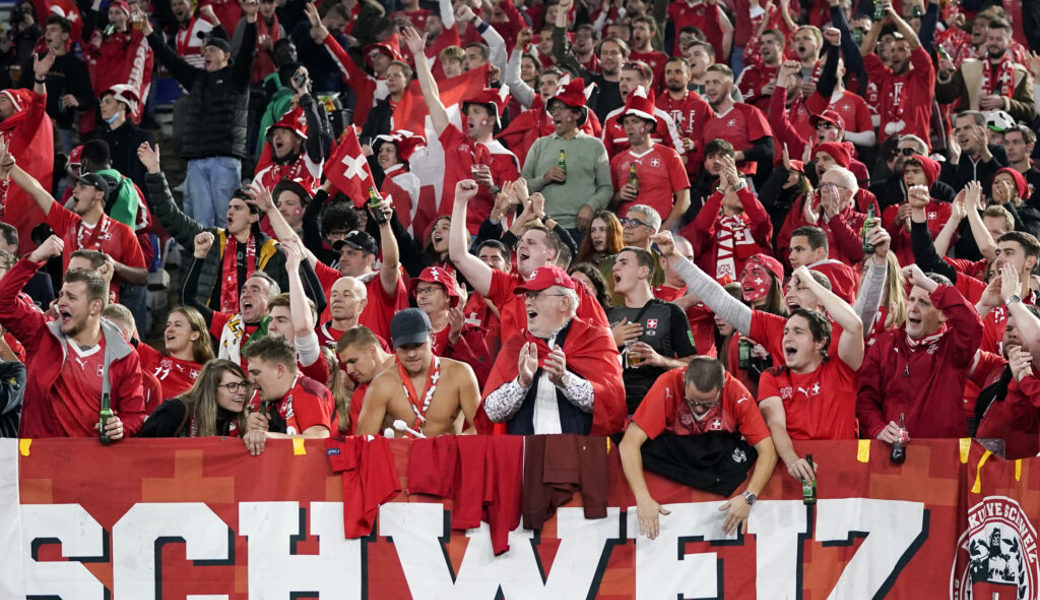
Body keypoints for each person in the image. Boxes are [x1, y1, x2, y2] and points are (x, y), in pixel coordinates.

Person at [0, 234, 145, 438]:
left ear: (95, 306)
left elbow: (135, 415)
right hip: (40, 460)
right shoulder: (42, 333)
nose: (62, 302)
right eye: (61, 295)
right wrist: (35, 257)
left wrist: (121, 427)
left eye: (72, 297)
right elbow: (3, 302)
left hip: (88, 464)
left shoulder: (124, 354)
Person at [619, 357, 777, 539]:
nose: (700, 409)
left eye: (709, 403)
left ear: (723, 385)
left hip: (717, 452)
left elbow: (767, 450)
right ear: (685, 381)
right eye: (693, 401)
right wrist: (642, 498)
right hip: (676, 449)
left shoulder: (736, 393)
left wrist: (749, 497)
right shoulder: (668, 384)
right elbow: (629, 444)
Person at [450, 180, 609, 345]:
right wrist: (460, 202)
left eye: (531, 242)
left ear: (550, 254)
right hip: (514, 369)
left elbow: (603, 340)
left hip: (559, 369)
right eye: (521, 243)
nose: (522, 246)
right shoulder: (507, 287)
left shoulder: (576, 289)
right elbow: (459, 255)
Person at [142, 2, 257, 228]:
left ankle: (230, 263)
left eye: (211, 50)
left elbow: (248, 52)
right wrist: (148, 31)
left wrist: (252, 21)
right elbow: (169, 58)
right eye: (204, 51)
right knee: (200, 224)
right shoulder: (196, 79)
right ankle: (203, 263)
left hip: (225, 159)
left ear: (225, 55)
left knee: (228, 221)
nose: (205, 53)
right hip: (195, 160)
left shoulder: (237, 78)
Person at [477, 266, 626, 435]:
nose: (528, 302)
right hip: (525, 455)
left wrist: (565, 380)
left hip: (578, 454)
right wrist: (521, 383)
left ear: (564, 302)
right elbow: (492, 412)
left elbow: (612, 404)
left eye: (537, 295)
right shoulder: (517, 345)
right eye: (527, 296)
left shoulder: (594, 339)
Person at [138, 143, 290, 308]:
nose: (229, 212)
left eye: (237, 208)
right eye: (229, 207)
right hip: (211, 329)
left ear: (253, 217)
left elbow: (285, 301)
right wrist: (154, 171)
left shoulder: (273, 253)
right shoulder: (211, 239)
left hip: (257, 331)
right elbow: (171, 217)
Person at [401, 26, 520, 235]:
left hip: (479, 238)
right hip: (447, 232)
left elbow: (512, 206)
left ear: (492, 119)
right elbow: (431, 96)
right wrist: (419, 55)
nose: (469, 116)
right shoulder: (454, 140)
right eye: (469, 111)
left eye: (476, 112)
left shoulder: (506, 158)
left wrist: (492, 187)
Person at [757, 266, 865, 484]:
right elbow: (775, 424)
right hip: (792, 475)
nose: (787, 338)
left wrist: (809, 281)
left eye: (798, 332)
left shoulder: (841, 369)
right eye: (786, 331)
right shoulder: (772, 377)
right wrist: (792, 460)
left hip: (842, 477)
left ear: (820, 342)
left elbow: (854, 324)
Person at [857, 265, 983, 441]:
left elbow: (973, 325)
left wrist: (926, 282)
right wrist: (878, 428)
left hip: (941, 457)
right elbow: (866, 398)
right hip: (890, 454)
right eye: (912, 299)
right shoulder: (885, 344)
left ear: (944, 315)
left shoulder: (953, 347)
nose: (913, 308)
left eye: (924, 302)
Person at [1, 146, 148, 297]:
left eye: (83, 187)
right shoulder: (68, 222)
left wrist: (115, 266)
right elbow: (36, 190)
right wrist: (12, 167)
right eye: (75, 186)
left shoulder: (123, 232)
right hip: (68, 308)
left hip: (103, 309)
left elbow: (142, 276)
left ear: (99, 195)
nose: (74, 191)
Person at [355, 308, 479, 437]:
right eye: (404, 347)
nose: (411, 354)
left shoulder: (460, 374)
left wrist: (449, 444)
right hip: (401, 456)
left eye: (418, 345)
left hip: (447, 455)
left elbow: (481, 428)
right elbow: (363, 442)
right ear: (394, 344)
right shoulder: (381, 384)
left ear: (433, 338)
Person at [608, 247, 698, 413]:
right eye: (615, 263)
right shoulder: (608, 314)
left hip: (658, 408)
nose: (615, 268)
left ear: (643, 271)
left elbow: (694, 365)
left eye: (624, 263)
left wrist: (661, 360)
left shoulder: (670, 312)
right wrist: (610, 341)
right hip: (616, 408)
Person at [521, 77, 614, 236]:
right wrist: (544, 178)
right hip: (543, 227)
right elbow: (522, 187)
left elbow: (606, 188)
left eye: (561, 108)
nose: (555, 113)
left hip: (582, 228)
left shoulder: (595, 146)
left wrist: (591, 206)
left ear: (577, 113)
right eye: (553, 109)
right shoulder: (539, 145)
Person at [609, 87, 691, 231]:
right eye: (626, 122)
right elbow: (609, 204)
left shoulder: (670, 155)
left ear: (648, 125)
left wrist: (662, 230)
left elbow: (684, 201)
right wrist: (618, 196)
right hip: (626, 230)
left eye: (634, 121)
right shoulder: (617, 161)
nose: (629, 127)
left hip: (660, 227)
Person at [857, 0, 934, 144]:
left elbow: (915, 44)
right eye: (892, 50)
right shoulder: (885, 77)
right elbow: (865, 52)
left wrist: (894, 15)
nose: (894, 54)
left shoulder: (923, 75)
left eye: (901, 50)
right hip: (887, 151)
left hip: (914, 146)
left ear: (911, 54)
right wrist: (878, 24)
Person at [242, 335, 334, 455]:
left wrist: (268, 437)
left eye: (256, 372)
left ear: (280, 370)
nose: (251, 379)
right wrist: (249, 426)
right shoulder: (268, 396)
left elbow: (318, 442)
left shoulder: (309, 391)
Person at [936, 18, 1035, 123]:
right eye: (991, 38)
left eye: (999, 39)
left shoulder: (1020, 73)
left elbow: (1031, 111)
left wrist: (1005, 103)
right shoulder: (967, 67)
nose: (994, 43)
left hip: (1006, 136)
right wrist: (944, 75)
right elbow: (945, 98)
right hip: (973, 132)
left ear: (1010, 42)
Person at [410, 266, 491, 386]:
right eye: (419, 291)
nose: (422, 296)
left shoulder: (471, 334)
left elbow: (482, 381)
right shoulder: (410, 334)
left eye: (429, 290)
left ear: (447, 296)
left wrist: (457, 340)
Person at [138, 359, 249, 437]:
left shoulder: (242, 419)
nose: (242, 392)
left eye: (243, 384)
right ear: (212, 390)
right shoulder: (176, 410)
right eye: (232, 386)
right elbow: (143, 450)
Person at [700, 64, 774, 177]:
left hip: (743, 180)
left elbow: (768, 150)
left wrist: (735, 155)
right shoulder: (708, 123)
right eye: (707, 83)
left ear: (730, 87)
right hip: (715, 185)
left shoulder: (749, 112)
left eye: (716, 82)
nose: (710, 87)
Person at [136, 306, 214, 400]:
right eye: (168, 325)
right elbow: (125, 328)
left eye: (177, 325)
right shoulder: (154, 357)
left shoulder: (207, 374)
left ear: (194, 335)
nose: (169, 330)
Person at [336, 325, 396, 434]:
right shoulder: (359, 396)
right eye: (346, 364)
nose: (349, 370)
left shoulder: (410, 367)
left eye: (353, 361)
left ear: (372, 351)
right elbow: (361, 444)